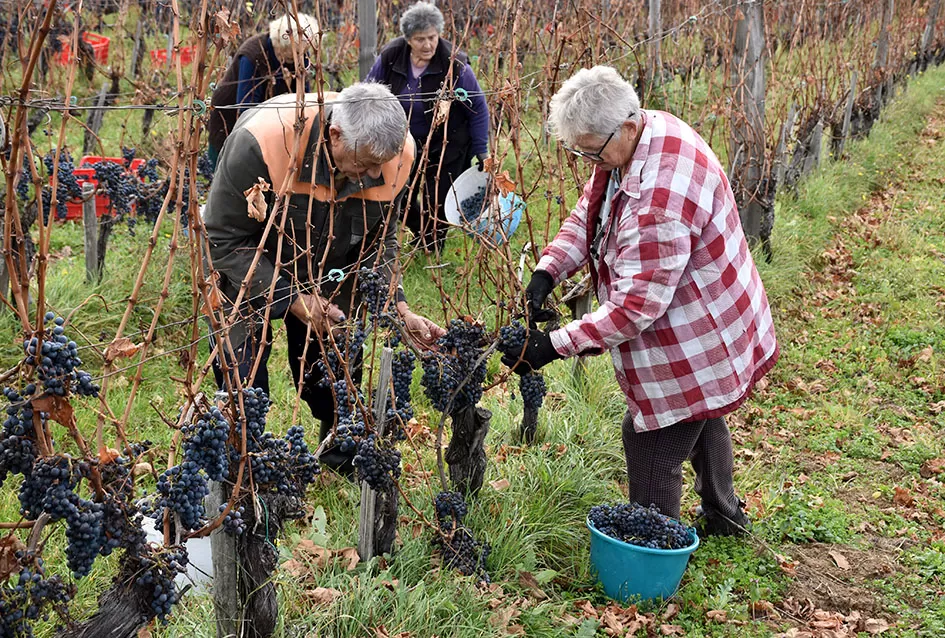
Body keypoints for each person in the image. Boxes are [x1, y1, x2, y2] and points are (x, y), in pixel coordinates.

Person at [501, 66, 778, 536]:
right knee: (699, 413)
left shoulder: (658, 197)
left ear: (626, 126)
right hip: (710, 311)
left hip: (697, 332)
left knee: (650, 440)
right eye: (578, 149)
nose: (588, 159)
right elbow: (592, 208)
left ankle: (653, 556)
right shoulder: (642, 134)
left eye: (591, 149)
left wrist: (552, 345)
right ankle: (725, 515)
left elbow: (634, 309)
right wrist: (548, 270)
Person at [203, 82, 445, 471]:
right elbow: (224, 238)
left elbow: (380, 239)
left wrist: (396, 306)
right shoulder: (261, 142)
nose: (368, 175)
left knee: (332, 380)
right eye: (363, 164)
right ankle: (245, 474)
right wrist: (295, 300)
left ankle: (336, 457)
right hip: (249, 266)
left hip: (331, 268)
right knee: (244, 388)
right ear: (334, 135)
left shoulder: (397, 155)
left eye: (376, 169)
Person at [366, 1, 490, 252]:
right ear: (408, 39)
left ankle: (433, 245)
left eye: (432, 37)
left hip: (448, 141)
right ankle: (421, 229)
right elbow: (369, 92)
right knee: (399, 192)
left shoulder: (454, 64)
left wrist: (482, 150)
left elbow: (477, 106)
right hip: (403, 140)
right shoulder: (391, 56)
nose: (428, 45)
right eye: (421, 39)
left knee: (440, 197)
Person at [206, 13, 319, 171]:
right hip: (229, 123)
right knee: (226, 174)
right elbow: (247, 111)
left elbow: (303, 99)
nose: (299, 57)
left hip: (273, 130)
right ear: (282, 45)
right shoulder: (253, 55)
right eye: (292, 54)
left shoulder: (299, 52)